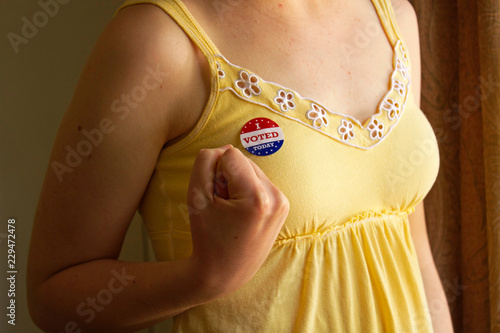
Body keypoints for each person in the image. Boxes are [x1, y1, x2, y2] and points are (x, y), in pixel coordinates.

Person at [27, 0, 454, 331]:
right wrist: (201, 279)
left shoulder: (393, 16)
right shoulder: (157, 42)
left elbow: (412, 249)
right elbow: (50, 297)